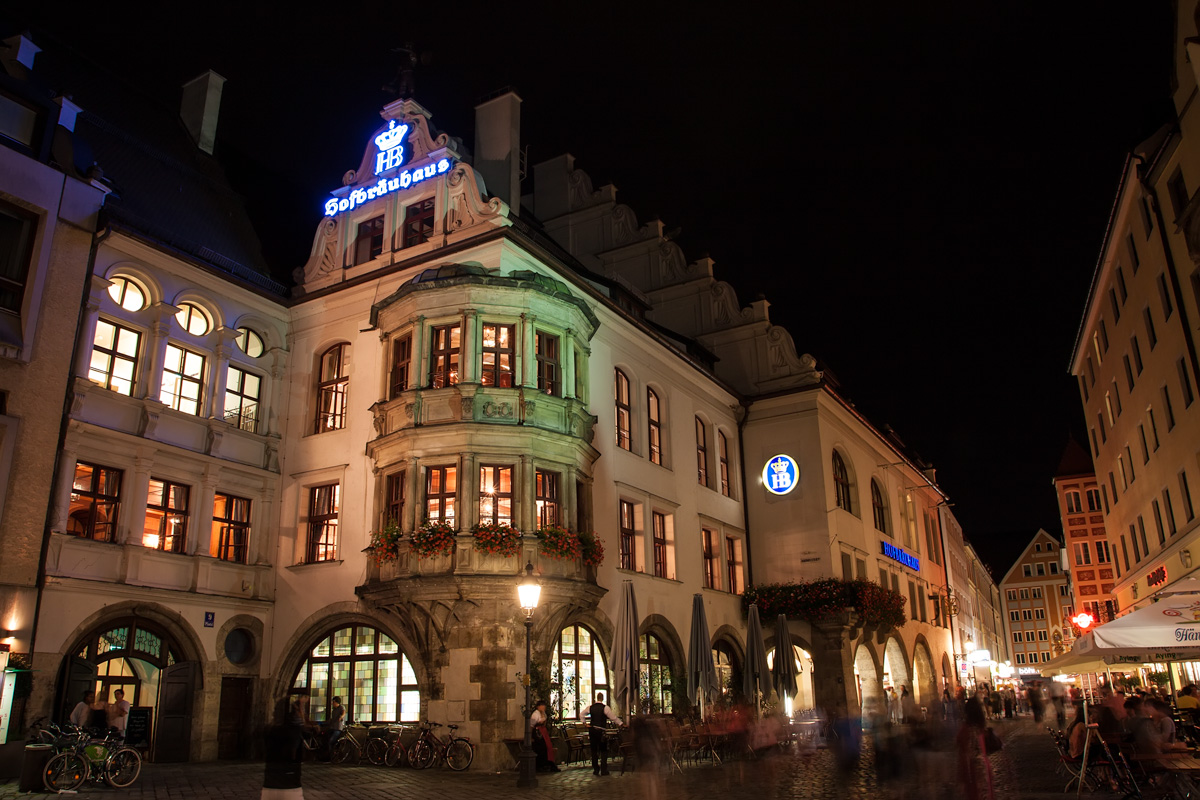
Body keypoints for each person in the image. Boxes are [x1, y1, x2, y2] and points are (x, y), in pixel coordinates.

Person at [957, 697, 995, 800]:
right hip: (983, 765)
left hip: (971, 768)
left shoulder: (966, 729)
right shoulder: (980, 727)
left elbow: (964, 752)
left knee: (975, 794)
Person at [582, 691, 622, 776]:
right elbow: (613, 717)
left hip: (592, 731)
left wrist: (585, 723)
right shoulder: (605, 708)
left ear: (596, 698)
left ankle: (596, 769)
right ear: (602, 698)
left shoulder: (590, 707)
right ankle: (604, 770)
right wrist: (621, 723)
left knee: (594, 750)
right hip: (601, 731)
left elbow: (581, 714)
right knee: (603, 750)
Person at [530, 700, 559, 772]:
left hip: (543, 731)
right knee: (541, 748)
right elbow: (532, 725)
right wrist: (531, 736)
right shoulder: (535, 714)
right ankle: (540, 765)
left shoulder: (543, 713)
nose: (544, 707)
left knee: (548, 747)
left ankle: (548, 764)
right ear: (538, 706)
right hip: (537, 732)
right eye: (542, 706)